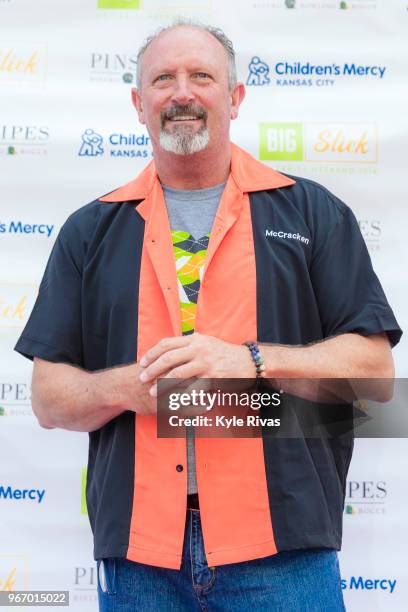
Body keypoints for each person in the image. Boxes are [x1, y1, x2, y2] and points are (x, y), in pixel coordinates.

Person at [15, 20, 401, 612]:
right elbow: (47, 398)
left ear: (236, 97)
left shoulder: (313, 212)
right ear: (138, 104)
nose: (183, 93)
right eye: (164, 79)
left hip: (283, 551)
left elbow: (374, 374)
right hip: (140, 558)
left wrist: (247, 360)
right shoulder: (89, 231)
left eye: (202, 76)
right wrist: (132, 388)